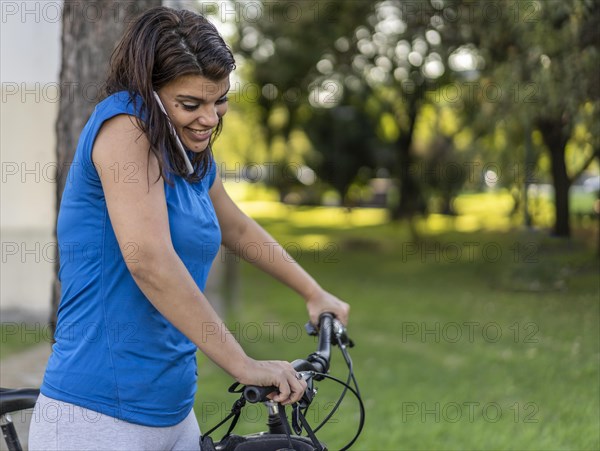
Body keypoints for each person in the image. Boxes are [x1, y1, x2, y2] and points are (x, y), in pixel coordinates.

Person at [28, 6, 349, 451]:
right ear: (149, 91)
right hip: (97, 418)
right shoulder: (125, 128)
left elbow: (235, 226)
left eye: (219, 101)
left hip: (174, 413)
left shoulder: (186, 151)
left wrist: (313, 291)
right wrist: (242, 363)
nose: (211, 118)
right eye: (190, 104)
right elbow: (150, 261)